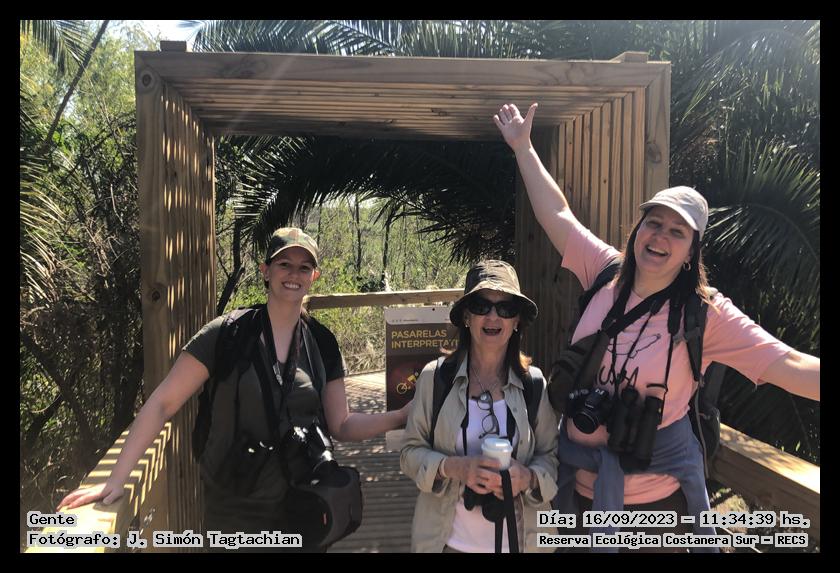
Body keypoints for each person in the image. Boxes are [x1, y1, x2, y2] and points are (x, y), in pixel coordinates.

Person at [494, 103, 820, 553]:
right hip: (576, 497)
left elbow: (791, 364)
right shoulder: (604, 271)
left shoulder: (705, 314)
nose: (661, 236)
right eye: (654, 222)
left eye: (678, 231)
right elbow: (558, 214)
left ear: (691, 252)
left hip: (656, 511)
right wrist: (523, 148)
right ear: (637, 230)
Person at [58, 227, 410, 551]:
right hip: (235, 511)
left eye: (304, 268)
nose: (294, 274)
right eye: (284, 264)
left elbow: (341, 424)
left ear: (314, 277)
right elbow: (163, 402)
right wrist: (116, 479)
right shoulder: (227, 334)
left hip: (303, 504)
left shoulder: (321, 341)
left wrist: (399, 417)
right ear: (265, 270)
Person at [401, 260, 559, 553]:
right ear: (466, 316)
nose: (493, 316)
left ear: (516, 321)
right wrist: (455, 468)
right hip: (447, 544)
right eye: (481, 306)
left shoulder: (534, 384)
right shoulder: (435, 379)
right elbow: (410, 453)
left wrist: (527, 478)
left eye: (506, 308)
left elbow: (551, 456)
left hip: (522, 543)